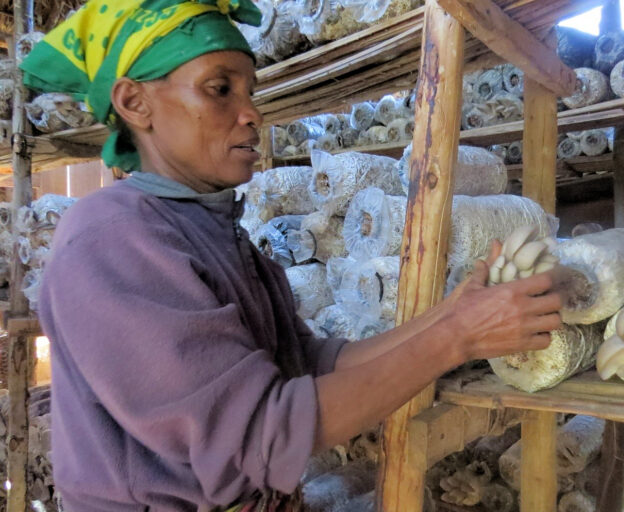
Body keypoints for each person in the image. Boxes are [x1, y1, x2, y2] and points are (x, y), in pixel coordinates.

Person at [21, 1, 563, 510]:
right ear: (135, 103)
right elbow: (266, 430)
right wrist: (457, 338)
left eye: (249, 92)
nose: (251, 113)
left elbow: (309, 363)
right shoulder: (112, 240)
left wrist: (450, 313)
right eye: (220, 90)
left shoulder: (213, 228)